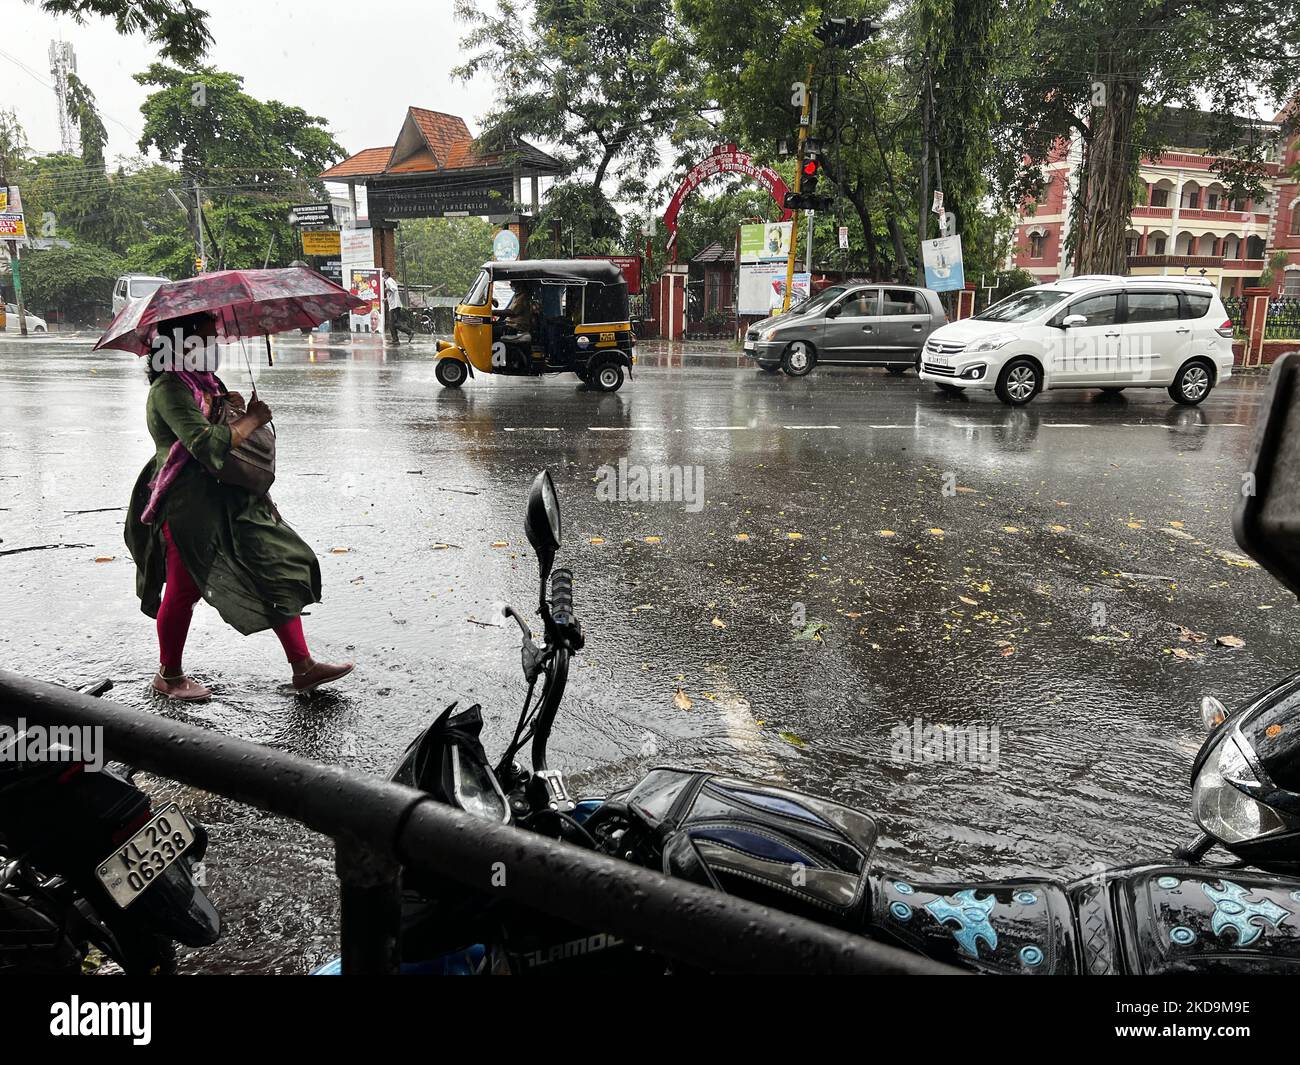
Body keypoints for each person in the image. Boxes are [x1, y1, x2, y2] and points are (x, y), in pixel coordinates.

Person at [124, 311, 353, 701]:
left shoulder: (204, 382)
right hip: (188, 504)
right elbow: (205, 443)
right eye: (206, 336)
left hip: (229, 497)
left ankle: (303, 666)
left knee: (274, 563)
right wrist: (250, 421)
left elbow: (217, 425)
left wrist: (228, 404)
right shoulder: (169, 390)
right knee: (184, 590)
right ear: (183, 342)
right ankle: (169, 675)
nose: (214, 344)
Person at [384, 270, 414, 343]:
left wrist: (387, 289)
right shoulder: (391, 280)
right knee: (394, 323)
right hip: (395, 305)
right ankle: (397, 338)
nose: (383, 277)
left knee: (392, 324)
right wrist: (386, 298)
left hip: (394, 306)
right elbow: (393, 293)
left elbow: (394, 288)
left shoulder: (388, 281)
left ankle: (408, 332)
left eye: (383, 275)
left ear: (386, 275)